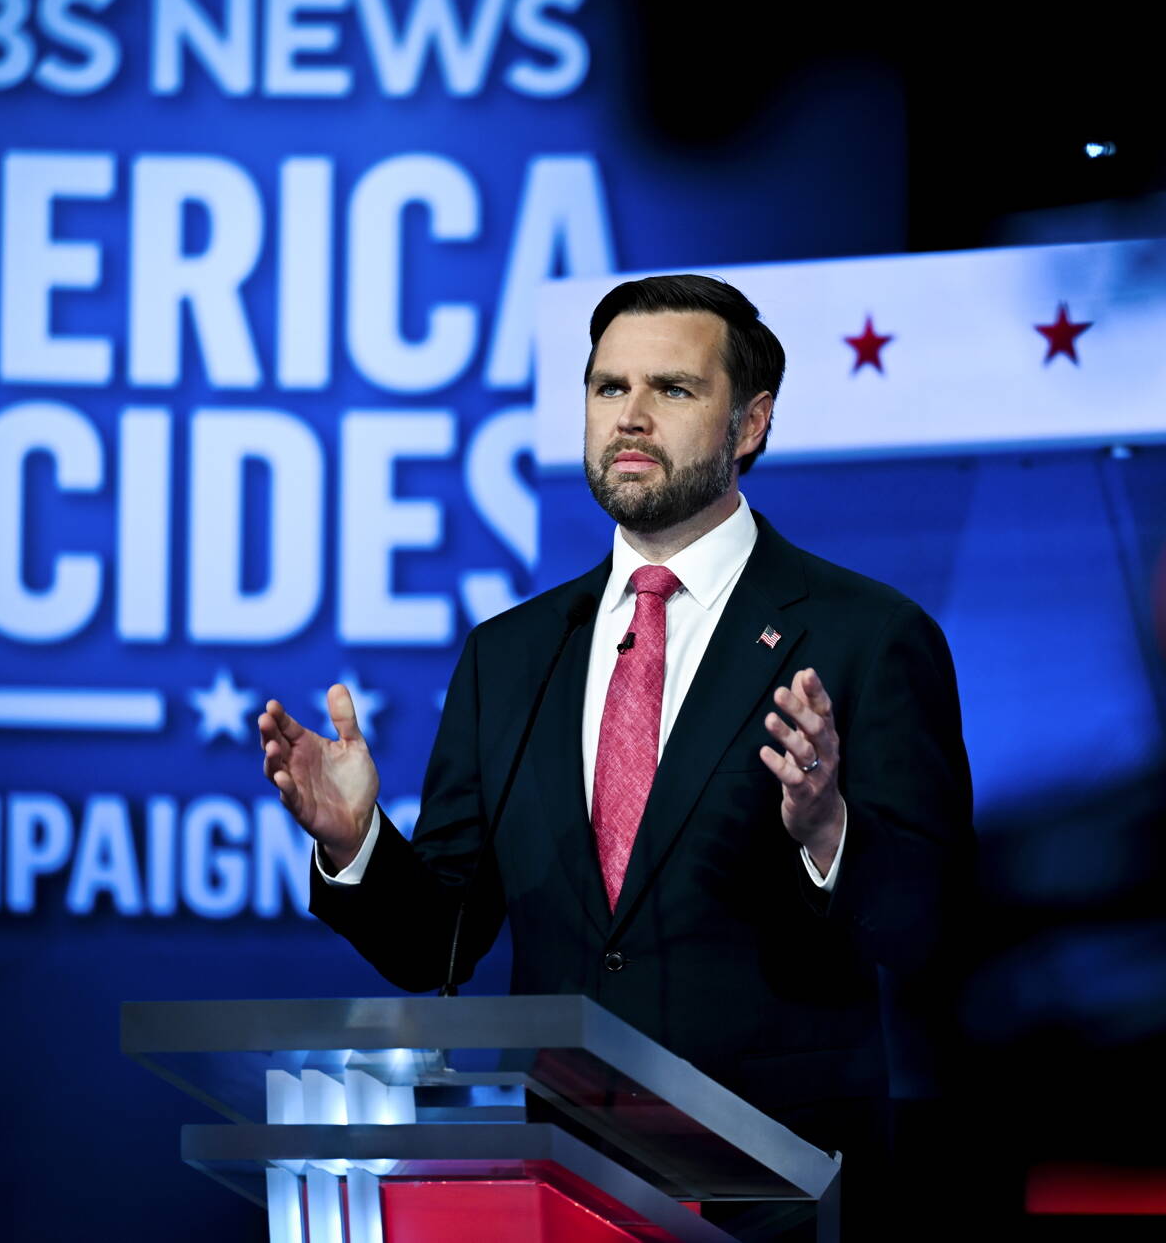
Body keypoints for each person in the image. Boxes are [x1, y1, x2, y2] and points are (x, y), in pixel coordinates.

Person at [258, 274, 971, 1213]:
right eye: (608, 388)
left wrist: (828, 831)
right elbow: (440, 942)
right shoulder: (512, 653)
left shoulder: (865, 635)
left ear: (749, 424)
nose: (630, 417)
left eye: (672, 389)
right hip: (562, 1179)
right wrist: (358, 846)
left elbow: (934, 926)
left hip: (778, 1190)